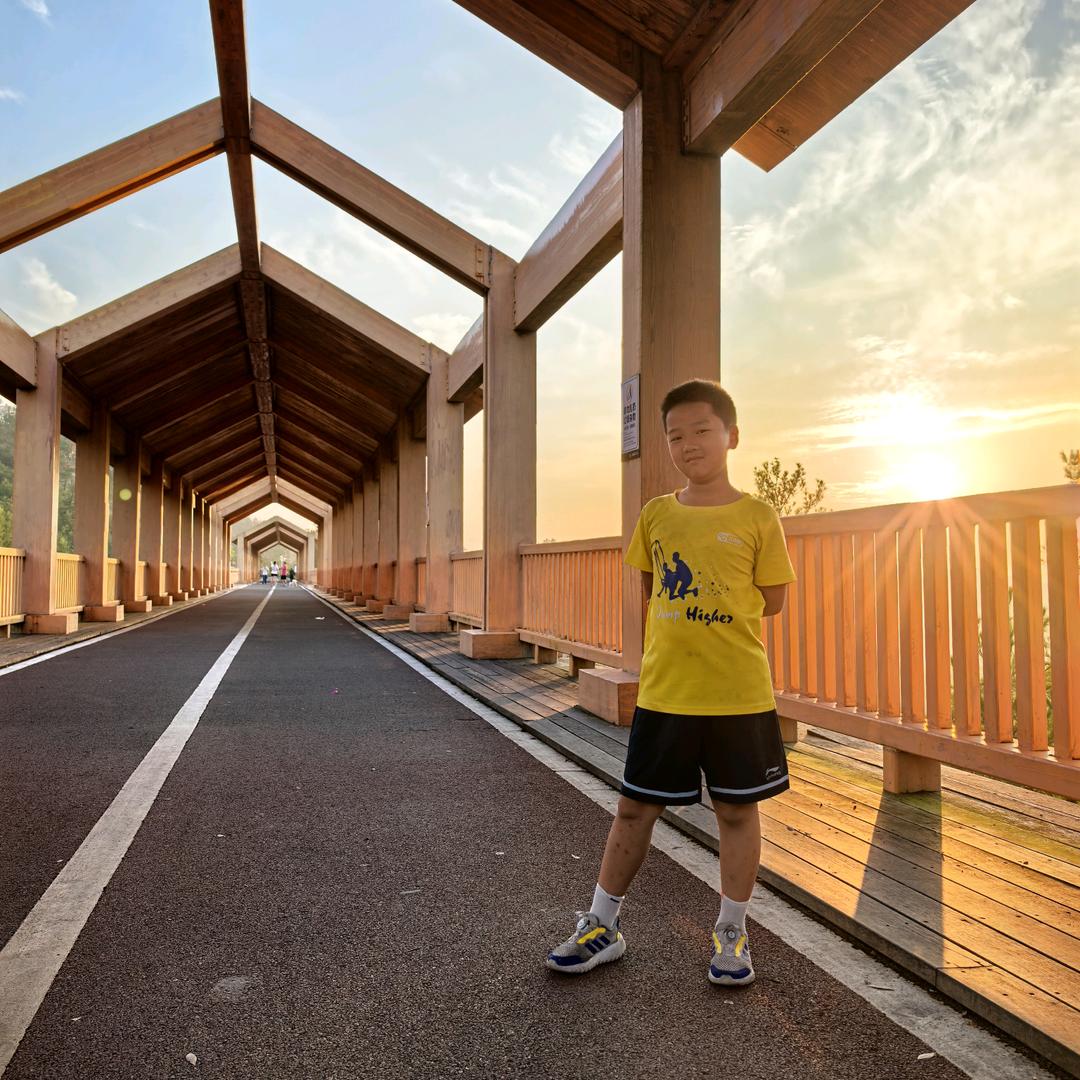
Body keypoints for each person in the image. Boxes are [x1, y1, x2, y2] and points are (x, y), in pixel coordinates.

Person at [546, 378, 796, 987]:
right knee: (634, 808)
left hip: (738, 695)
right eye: (676, 437)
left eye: (703, 430)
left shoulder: (757, 515)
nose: (689, 445)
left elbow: (774, 599)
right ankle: (602, 925)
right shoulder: (656, 514)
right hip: (665, 693)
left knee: (736, 813)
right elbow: (649, 588)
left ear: (732, 436)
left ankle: (731, 935)